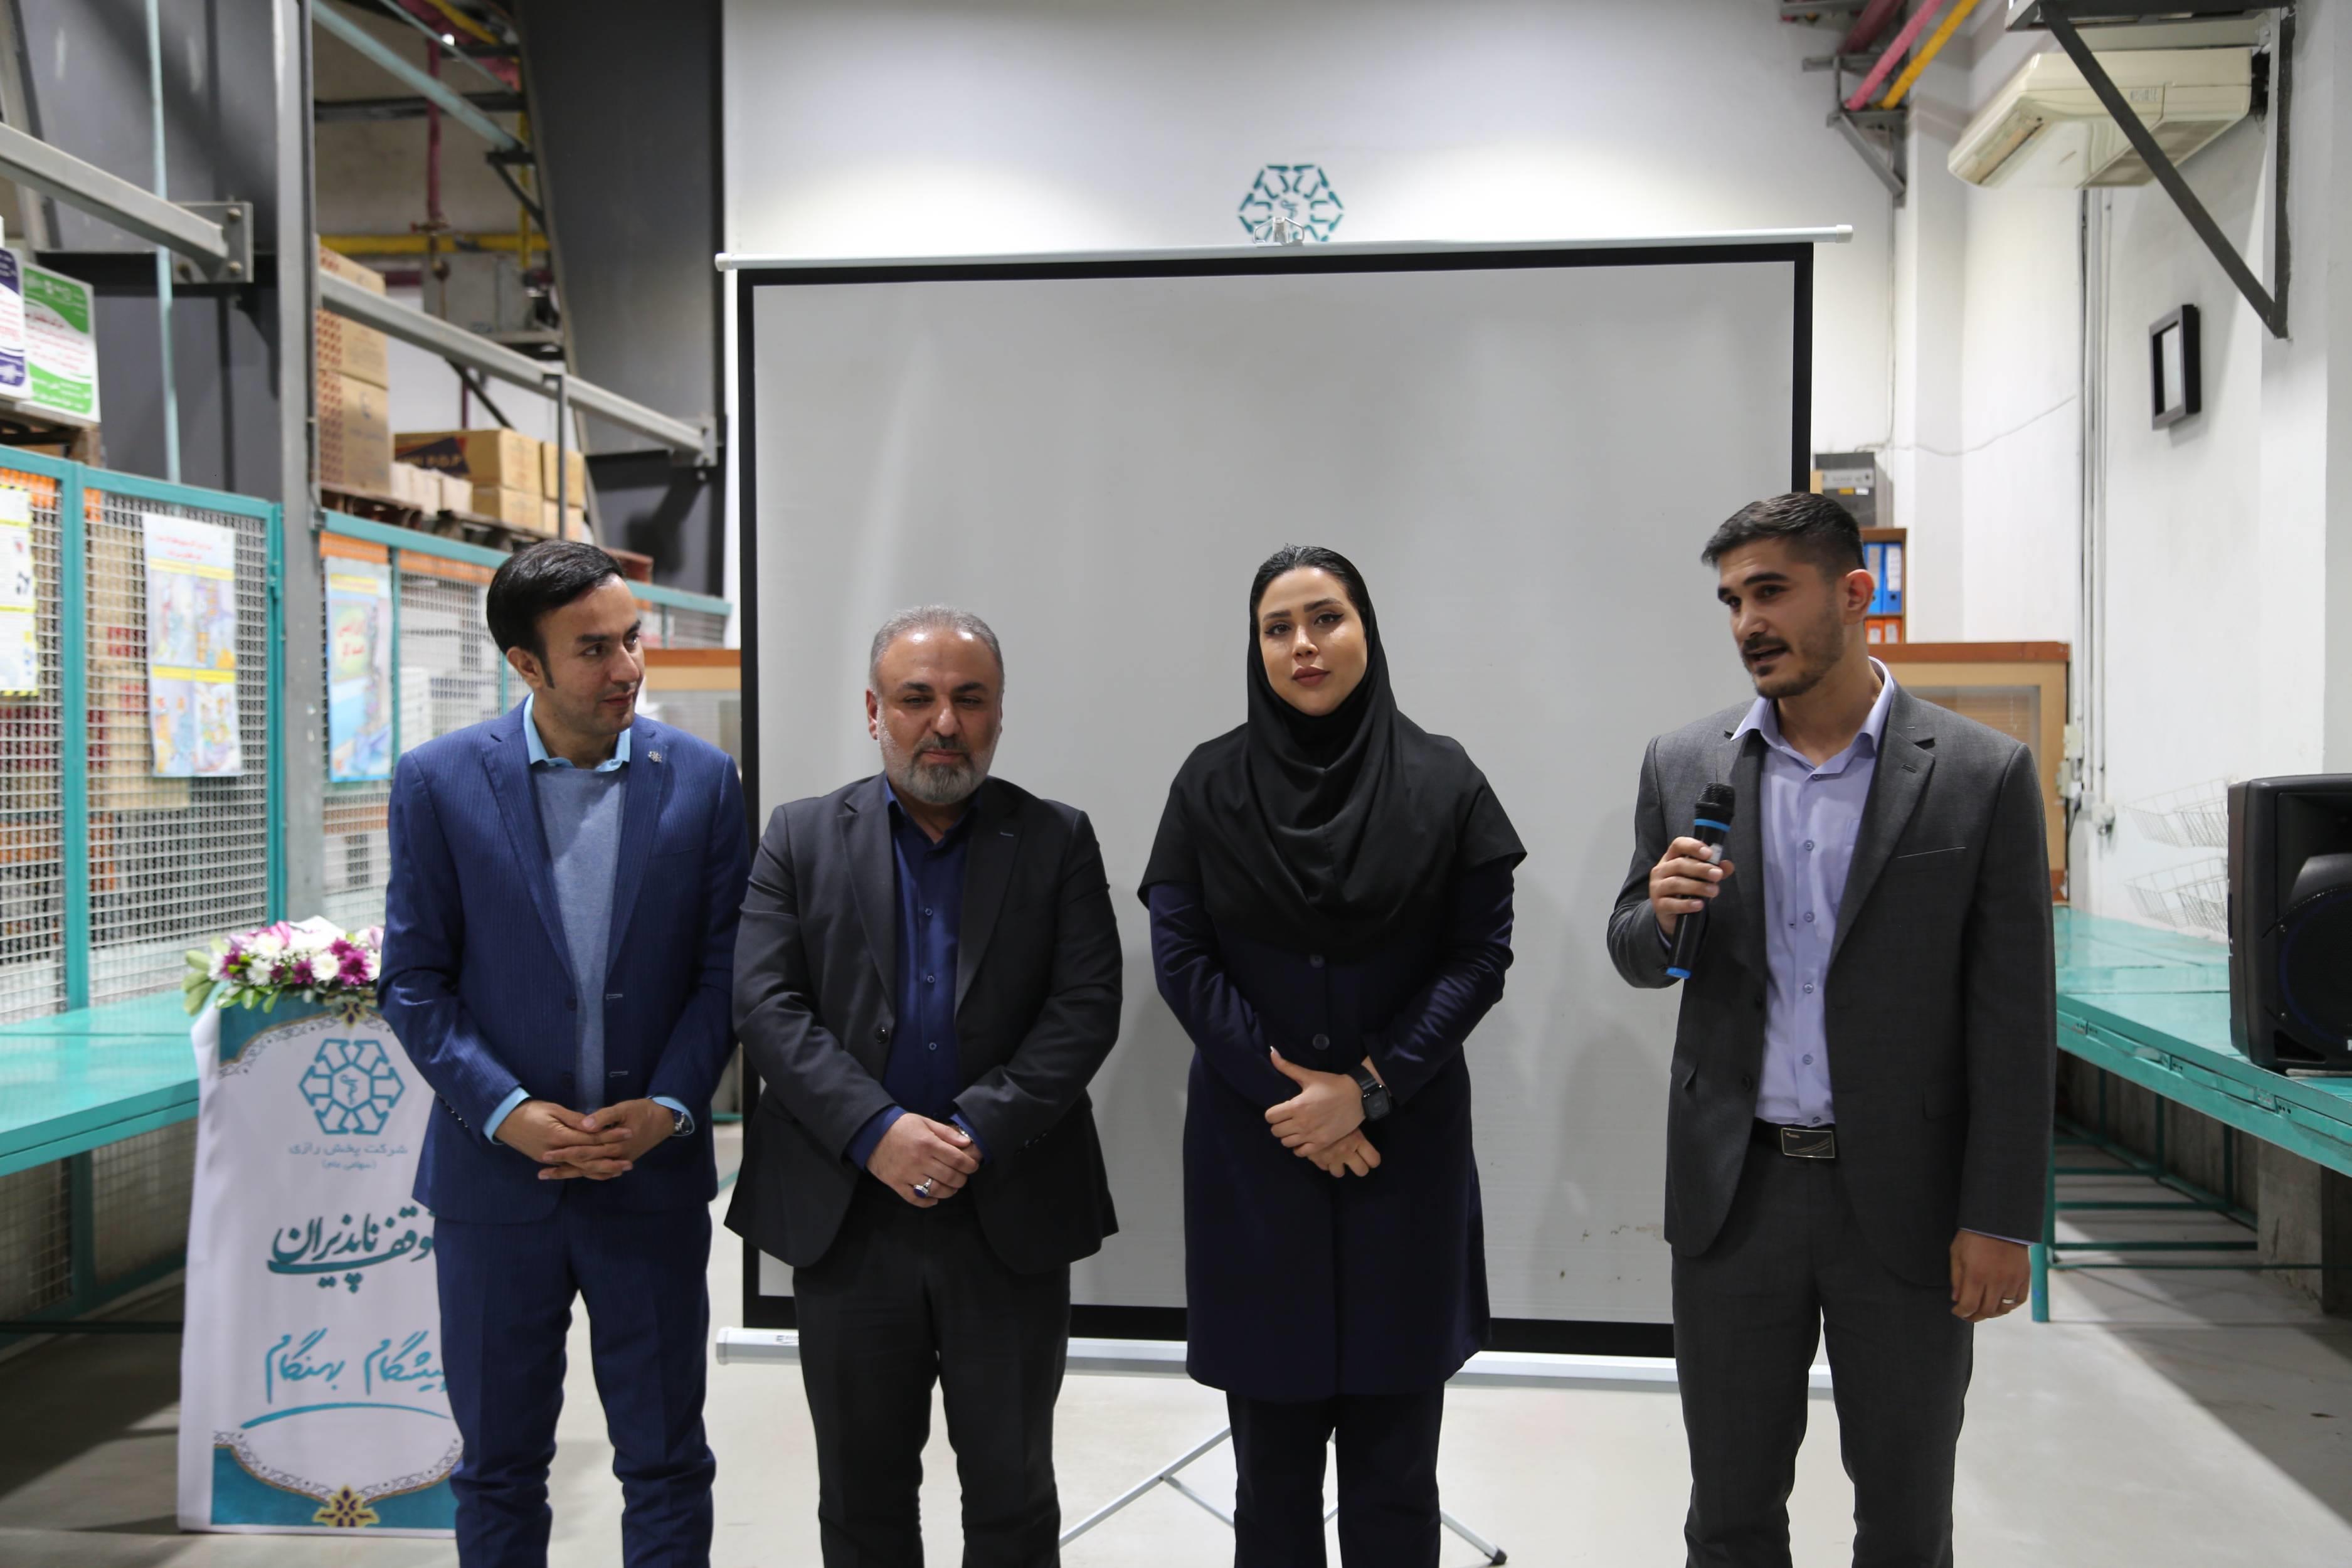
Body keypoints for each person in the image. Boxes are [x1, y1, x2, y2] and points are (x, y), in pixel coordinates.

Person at [1606, 492, 2056, 1567]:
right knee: (1728, 1514)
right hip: (1736, 1199)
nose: (1747, 623)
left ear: (1854, 594)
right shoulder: (1686, 762)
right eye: (1731, 601)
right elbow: (1634, 951)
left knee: (1903, 1519)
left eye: (1770, 591)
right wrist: (1659, 915)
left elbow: (2012, 1018)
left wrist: (1999, 1217)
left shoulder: (1977, 773)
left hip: (1904, 1203)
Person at [1138, 545, 1523, 1568]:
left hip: (1403, 1159)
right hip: (1257, 1157)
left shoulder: (1444, 779)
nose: (1302, 645)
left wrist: (1367, 1089)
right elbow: (1181, 959)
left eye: (1325, 619)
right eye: (1278, 628)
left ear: (1366, 630)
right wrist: (1298, 1104)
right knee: (1269, 1481)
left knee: (1396, 1476)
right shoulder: (1208, 782)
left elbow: (1479, 957)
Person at [379, 539, 751, 1567]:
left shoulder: (703, 781)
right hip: (497, 1188)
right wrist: (506, 1111)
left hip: (650, 1181)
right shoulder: (440, 783)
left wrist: (670, 1106)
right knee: (498, 1467)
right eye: (593, 649)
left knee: (666, 1460)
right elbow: (412, 980)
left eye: (631, 639)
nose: (626, 666)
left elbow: (726, 973)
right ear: (526, 664)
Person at [728, 606, 1122, 1568]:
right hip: (850, 1218)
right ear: (874, 711)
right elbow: (766, 1003)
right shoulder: (799, 836)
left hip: (1008, 1213)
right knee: (861, 1498)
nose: (944, 723)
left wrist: (973, 1132)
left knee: (1012, 1496)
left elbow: (1085, 1009)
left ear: (998, 715)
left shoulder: (1057, 839)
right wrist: (876, 1130)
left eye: (969, 699)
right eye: (916, 698)